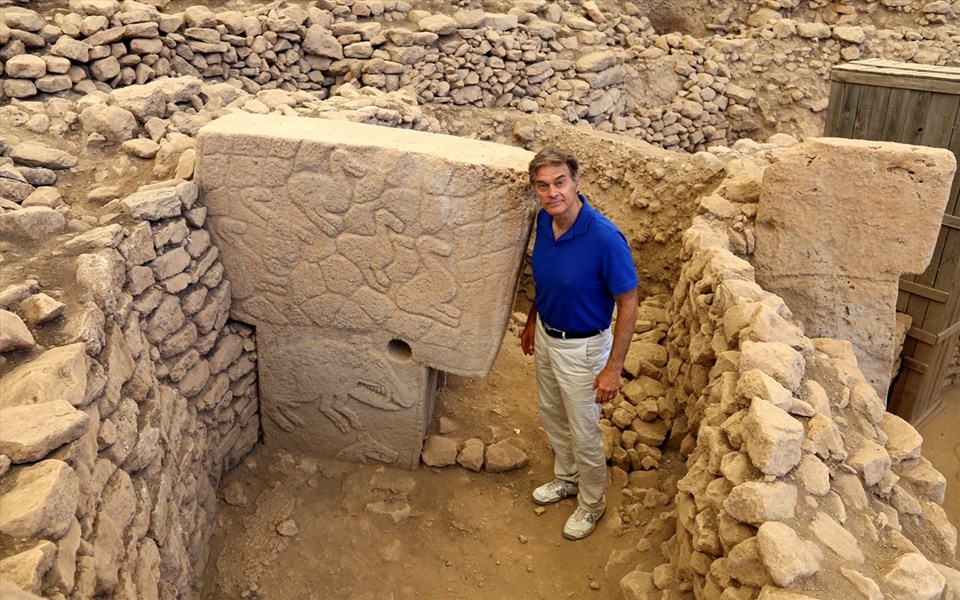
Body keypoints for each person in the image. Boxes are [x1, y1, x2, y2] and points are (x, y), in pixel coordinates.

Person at [520, 147, 638, 540]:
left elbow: (628, 301)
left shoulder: (604, 238)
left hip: (584, 347)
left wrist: (613, 368)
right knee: (552, 413)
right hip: (548, 335)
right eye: (543, 185)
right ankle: (566, 478)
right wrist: (533, 320)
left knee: (584, 428)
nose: (552, 192)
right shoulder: (544, 220)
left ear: (576, 184)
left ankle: (591, 503)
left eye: (559, 183)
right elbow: (549, 278)